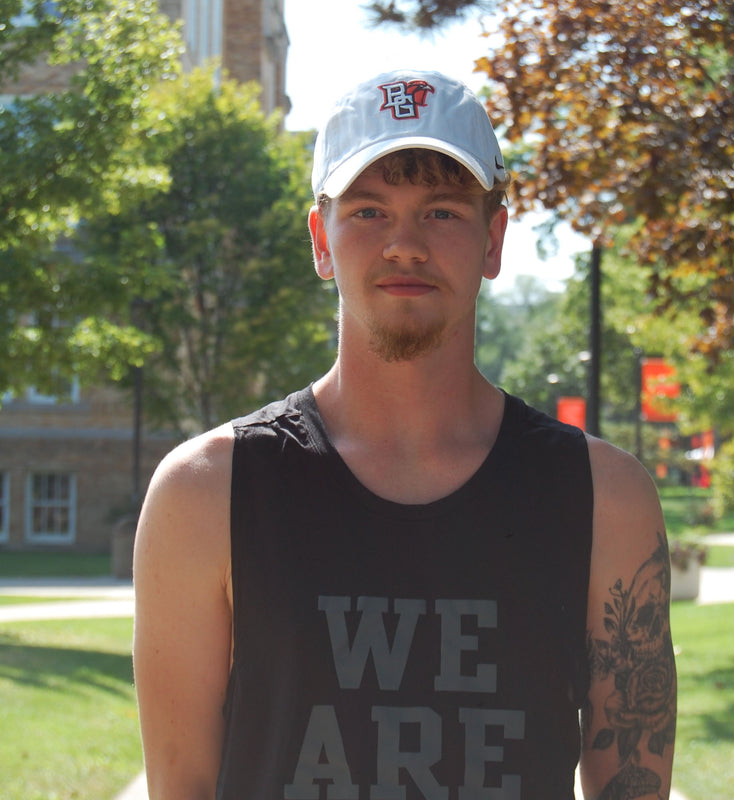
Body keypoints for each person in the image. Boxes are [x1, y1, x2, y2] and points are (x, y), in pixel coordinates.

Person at [133, 69, 676, 800]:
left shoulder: (605, 498)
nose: (405, 245)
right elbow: (183, 787)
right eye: (368, 211)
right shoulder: (205, 491)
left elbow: (631, 785)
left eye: (443, 212)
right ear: (322, 240)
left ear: (494, 239)